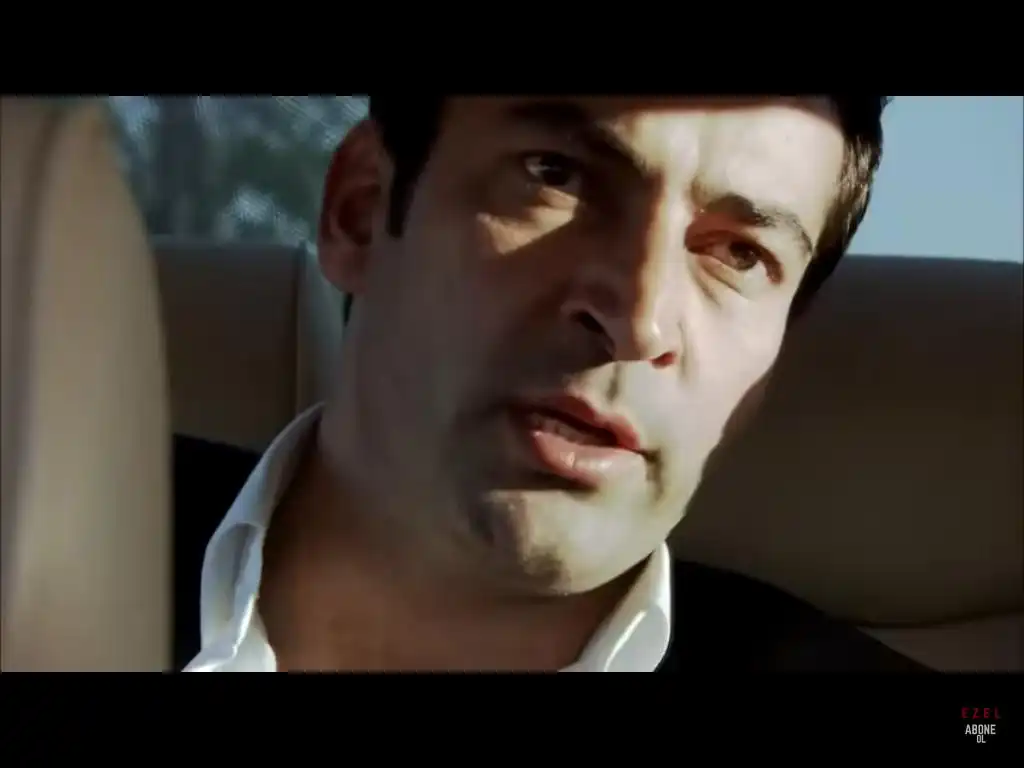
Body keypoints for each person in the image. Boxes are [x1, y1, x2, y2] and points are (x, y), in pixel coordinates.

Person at [183, 95, 928, 672]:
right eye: (555, 175)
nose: (639, 321)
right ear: (361, 211)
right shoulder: (105, 525)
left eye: (738, 255)